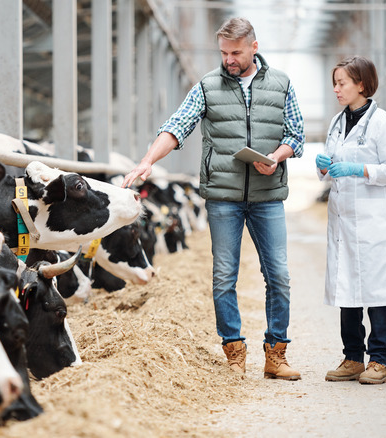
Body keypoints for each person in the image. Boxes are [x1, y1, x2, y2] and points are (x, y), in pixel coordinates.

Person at [122, 17, 304, 380]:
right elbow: (177, 126)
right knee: (224, 276)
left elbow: (295, 133)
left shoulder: (281, 83)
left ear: (254, 47)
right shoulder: (208, 86)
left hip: (268, 195)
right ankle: (234, 350)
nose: (229, 59)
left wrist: (278, 157)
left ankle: (276, 354)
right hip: (223, 197)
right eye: (223, 52)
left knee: (279, 276)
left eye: (236, 52)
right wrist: (147, 160)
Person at [315, 56, 386, 385]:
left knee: (377, 291)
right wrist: (323, 166)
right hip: (343, 220)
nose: (336, 89)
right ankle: (353, 357)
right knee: (347, 289)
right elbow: (327, 172)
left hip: (372, 221)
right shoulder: (337, 124)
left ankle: (378, 360)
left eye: (342, 83)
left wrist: (360, 170)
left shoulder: (382, 123)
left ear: (362, 85)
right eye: (334, 83)